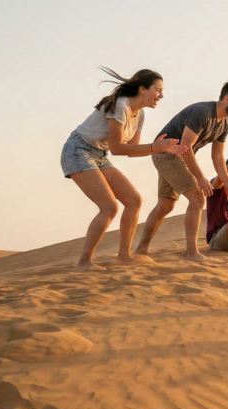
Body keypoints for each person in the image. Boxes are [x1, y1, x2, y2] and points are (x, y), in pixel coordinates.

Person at [60, 67, 188, 270]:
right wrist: (154, 147)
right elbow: (118, 148)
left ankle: (124, 256)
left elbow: (131, 149)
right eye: (158, 90)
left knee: (134, 200)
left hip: (99, 155)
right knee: (109, 207)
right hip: (78, 150)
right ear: (142, 89)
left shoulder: (140, 115)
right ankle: (84, 262)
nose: (161, 95)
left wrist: (162, 150)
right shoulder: (120, 106)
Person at [134, 81, 228, 261]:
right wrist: (201, 178)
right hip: (168, 152)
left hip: (179, 156)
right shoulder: (202, 113)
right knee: (197, 198)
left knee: (166, 204)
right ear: (227, 98)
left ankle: (141, 250)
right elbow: (185, 146)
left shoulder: (224, 123)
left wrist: (227, 183)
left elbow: (218, 156)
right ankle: (191, 252)